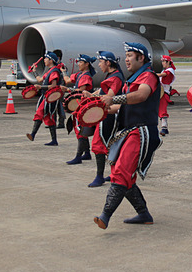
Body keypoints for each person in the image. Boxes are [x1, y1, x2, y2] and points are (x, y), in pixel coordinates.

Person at [94, 42, 161, 229]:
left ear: (141, 58)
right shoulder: (133, 78)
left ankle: (105, 216)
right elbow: (120, 107)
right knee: (121, 174)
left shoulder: (149, 76)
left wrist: (112, 98)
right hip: (129, 132)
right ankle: (143, 214)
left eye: (130, 55)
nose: (126, 59)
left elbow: (141, 96)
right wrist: (96, 109)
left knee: (121, 172)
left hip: (141, 131)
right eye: (126, 56)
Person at [87, 51, 125, 187]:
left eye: (101, 62)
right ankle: (114, 173)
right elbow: (102, 92)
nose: (99, 65)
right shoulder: (111, 75)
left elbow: (109, 98)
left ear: (108, 63)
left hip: (109, 115)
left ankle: (99, 176)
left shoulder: (116, 78)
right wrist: (91, 94)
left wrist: (93, 97)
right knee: (110, 144)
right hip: (106, 114)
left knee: (99, 144)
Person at [62, 54, 96, 165]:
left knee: (80, 130)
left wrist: (67, 89)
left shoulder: (86, 77)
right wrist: (63, 72)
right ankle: (86, 153)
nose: (78, 64)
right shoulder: (80, 74)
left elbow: (80, 92)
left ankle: (78, 156)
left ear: (87, 64)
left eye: (81, 62)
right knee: (79, 129)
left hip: (82, 106)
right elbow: (67, 80)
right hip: (78, 105)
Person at [26, 51, 63, 145]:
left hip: (50, 97)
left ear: (51, 60)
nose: (45, 60)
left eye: (46, 58)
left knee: (40, 114)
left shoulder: (54, 71)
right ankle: (54, 140)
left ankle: (33, 134)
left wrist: (40, 87)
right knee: (49, 118)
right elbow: (39, 80)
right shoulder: (50, 71)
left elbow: (53, 86)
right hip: (47, 97)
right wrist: (34, 71)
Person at [157, 55, 176, 136]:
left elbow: (163, 75)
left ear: (168, 62)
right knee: (160, 110)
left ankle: (164, 128)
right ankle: (164, 128)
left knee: (162, 110)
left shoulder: (170, 70)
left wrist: (151, 74)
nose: (162, 63)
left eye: (163, 61)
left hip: (164, 92)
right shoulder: (165, 70)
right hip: (161, 92)